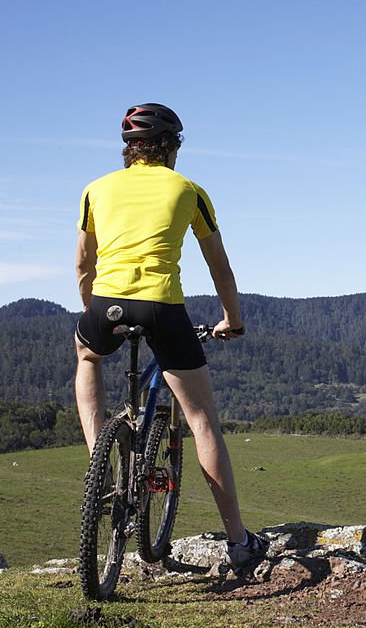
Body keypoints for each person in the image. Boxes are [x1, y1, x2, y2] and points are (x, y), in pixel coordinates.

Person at [74, 102, 268, 574]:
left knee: (87, 358)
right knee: (202, 420)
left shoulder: (95, 190)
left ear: (130, 149)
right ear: (169, 147)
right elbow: (219, 266)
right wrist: (232, 319)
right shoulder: (189, 190)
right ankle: (239, 541)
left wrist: (95, 311)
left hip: (106, 304)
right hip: (163, 308)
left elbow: (83, 265)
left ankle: (103, 462)